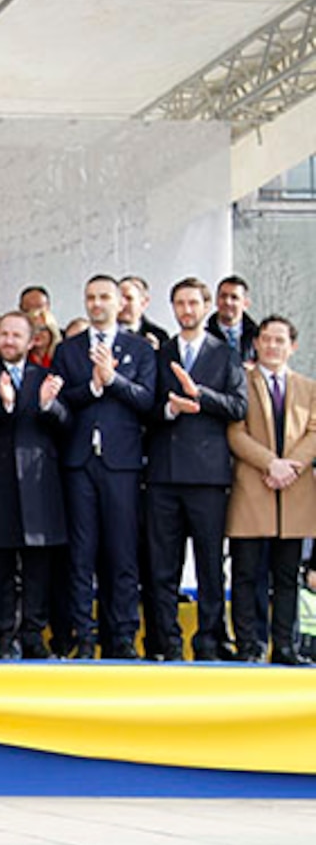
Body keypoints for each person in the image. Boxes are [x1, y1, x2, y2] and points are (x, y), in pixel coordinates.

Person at [52, 274, 156, 659]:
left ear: (119, 303)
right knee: (81, 553)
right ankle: (83, 635)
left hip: (122, 464)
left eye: (104, 297)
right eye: (90, 297)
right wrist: (93, 388)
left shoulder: (139, 349)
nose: (96, 304)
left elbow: (146, 400)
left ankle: (123, 635)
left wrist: (111, 380)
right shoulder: (69, 350)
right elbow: (61, 401)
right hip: (79, 463)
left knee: (122, 552)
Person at [145, 278, 246, 661]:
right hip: (164, 475)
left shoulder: (225, 354)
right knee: (163, 566)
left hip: (207, 476)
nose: (187, 310)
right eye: (180, 304)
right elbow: (146, 407)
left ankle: (208, 641)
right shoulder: (160, 352)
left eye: (193, 303)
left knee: (209, 565)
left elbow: (238, 406)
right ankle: (167, 643)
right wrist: (170, 409)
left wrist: (199, 397)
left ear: (207, 307)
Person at [0, 312, 69, 658]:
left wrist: (47, 405)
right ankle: (4, 638)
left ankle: (34, 636)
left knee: (39, 568)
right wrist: (3, 404)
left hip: (39, 487)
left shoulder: (46, 377)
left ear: (31, 340)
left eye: (15, 335)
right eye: (3, 334)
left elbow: (67, 424)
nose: (8, 341)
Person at [226, 316, 316, 665]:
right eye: (266, 339)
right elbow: (236, 432)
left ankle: (286, 647)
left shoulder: (308, 388)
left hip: (294, 491)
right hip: (253, 486)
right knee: (247, 573)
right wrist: (270, 464)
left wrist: (291, 466)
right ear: (257, 343)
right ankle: (250, 645)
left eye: (280, 340)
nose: (272, 346)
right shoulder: (240, 382)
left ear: (292, 346)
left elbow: (313, 432)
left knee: (287, 576)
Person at [206, 274, 257, 362]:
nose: (228, 302)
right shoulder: (204, 337)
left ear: (246, 304)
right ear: (216, 300)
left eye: (234, 297)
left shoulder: (257, 337)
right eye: (223, 296)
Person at [118, 274, 170, 350]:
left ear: (143, 303)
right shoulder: (102, 332)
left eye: (129, 298)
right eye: (119, 298)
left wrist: (153, 352)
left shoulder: (158, 335)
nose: (122, 303)